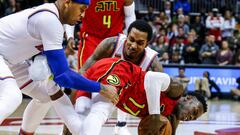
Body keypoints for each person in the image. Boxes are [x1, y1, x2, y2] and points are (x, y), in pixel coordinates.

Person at [20, 20, 163, 135]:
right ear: (127, 35)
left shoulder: (152, 63)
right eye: (131, 39)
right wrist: (68, 121)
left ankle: (121, 124)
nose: (133, 45)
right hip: (98, 85)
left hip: (123, 95)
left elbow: (163, 96)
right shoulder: (111, 44)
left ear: (147, 44)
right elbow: (83, 73)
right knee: (82, 112)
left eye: (139, 43)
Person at [0, 0, 119, 135]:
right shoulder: (50, 20)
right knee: (12, 95)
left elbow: (56, 69)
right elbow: (63, 76)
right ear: (67, 3)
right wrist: (101, 88)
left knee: (45, 96)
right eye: (82, 9)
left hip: (10, 60)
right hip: (4, 56)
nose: (83, 15)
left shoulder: (53, 20)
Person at [79, 57, 207, 135]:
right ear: (188, 98)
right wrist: (155, 116)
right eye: (194, 111)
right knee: (99, 111)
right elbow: (153, 79)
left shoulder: (170, 119)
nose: (190, 117)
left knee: (80, 114)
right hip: (124, 74)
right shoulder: (176, 89)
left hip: (120, 93)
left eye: (193, 118)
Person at [65, 1, 136, 134]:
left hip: (116, 40)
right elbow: (71, 11)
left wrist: (129, 38)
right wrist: (69, 36)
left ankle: (121, 125)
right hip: (91, 39)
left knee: (121, 81)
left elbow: (130, 15)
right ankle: (73, 123)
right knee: (82, 81)